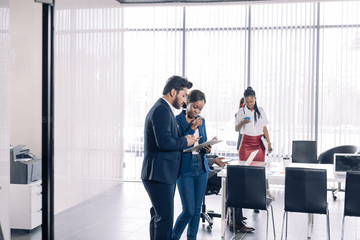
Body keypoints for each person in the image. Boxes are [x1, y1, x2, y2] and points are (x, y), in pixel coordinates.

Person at [141, 75, 199, 240]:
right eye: (183, 95)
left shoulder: (163, 109)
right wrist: (186, 141)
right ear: (173, 92)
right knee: (165, 220)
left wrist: (186, 137)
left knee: (159, 217)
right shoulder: (161, 110)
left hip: (160, 174)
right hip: (159, 174)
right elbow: (164, 142)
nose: (184, 101)